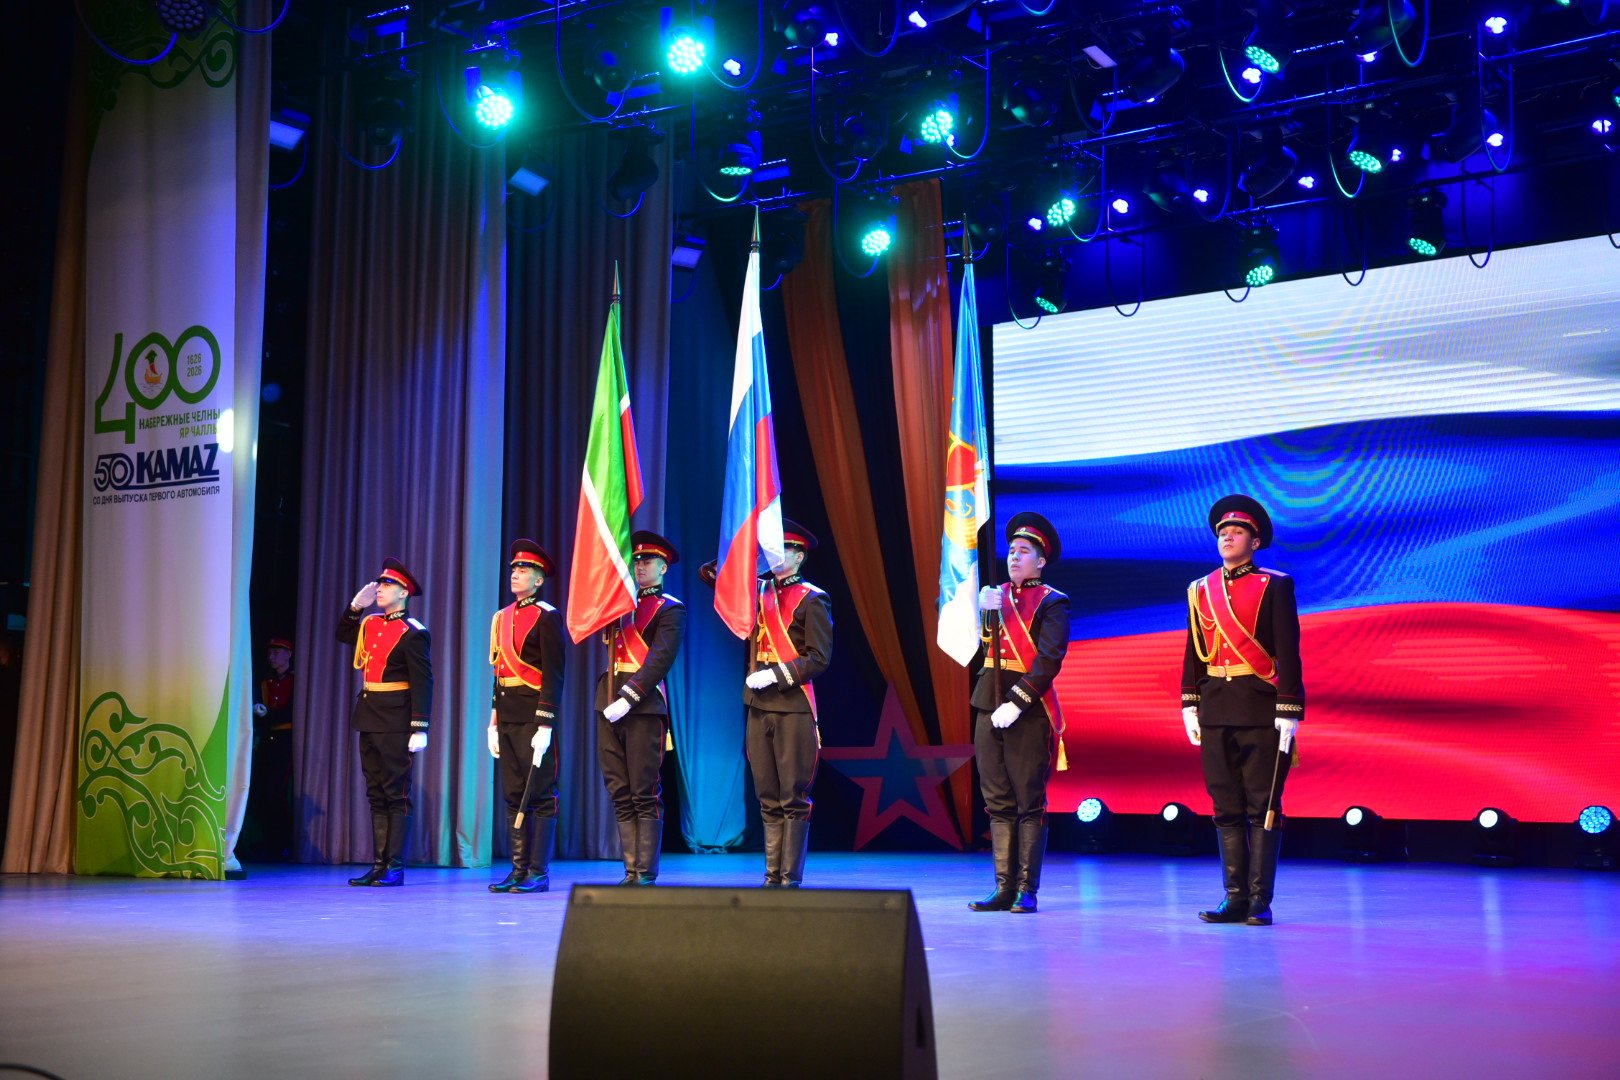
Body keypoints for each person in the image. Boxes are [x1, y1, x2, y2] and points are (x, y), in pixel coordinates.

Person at [1180, 494, 1305, 927]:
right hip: (1215, 707)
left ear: (1255, 542)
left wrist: (1289, 708)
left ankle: (1259, 900)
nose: (1227, 537)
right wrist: (1189, 703)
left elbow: (1288, 650)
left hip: (1260, 709)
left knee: (1262, 806)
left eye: (1237, 532)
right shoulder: (1200, 589)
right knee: (1225, 806)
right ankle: (1234, 897)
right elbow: (1193, 652)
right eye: (1223, 532)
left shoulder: (1274, 585)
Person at [741, 520, 832, 888]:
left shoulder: (813, 598)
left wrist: (776, 675)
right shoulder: (757, 591)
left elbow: (819, 658)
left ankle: (789, 879)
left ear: (798, 557)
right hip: (758, 705)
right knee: (766, 795)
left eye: (782, 550)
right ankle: (771, 877)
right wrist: (748, 557)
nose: (775, 556)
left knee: (792, 795)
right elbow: (712, 574)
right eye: (771, 549)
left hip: (793, 704)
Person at [597, 530, 686, 885]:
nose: (640, 566)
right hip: (607, 702)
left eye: (648, 561)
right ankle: (630, 871)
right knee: (619, 790)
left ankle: (645, 873)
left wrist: (629, 696)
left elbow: (659, 660)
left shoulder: (670, 609)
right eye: (636, 561)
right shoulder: (620, 603)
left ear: (663, 567)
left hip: (643, 706)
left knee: (643, 791)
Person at [336, 559, 432, 887]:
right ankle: (378, 865)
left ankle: (395, 867)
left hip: (396, 720)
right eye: (379, 584)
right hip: (369, 714)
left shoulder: (414, 632)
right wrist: (354, 608)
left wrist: (420, 726)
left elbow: (423, 682)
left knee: (396, 793)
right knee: (375, 793)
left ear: (404, 593)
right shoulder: (371, 624)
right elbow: (342, 634)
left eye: (387, 585)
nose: (379, 589)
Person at [486, 539, 565, 894]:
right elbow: (499, 672)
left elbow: (554, 674)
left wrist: (545, 722)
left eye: (524, 570)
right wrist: (493, 721)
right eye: (514, 569)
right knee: (513, 793)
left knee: (541, 793)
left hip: (534, 716)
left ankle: (538, 872)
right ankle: (518, 870)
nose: (516, 574)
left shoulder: (547, 616)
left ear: (539, 580)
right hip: (507, 716)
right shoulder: (501, 617)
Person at [245, 636, 295, 858]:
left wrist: (268, 714)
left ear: (288, 655)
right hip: (268, 738)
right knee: (262, 791)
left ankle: (281, 843)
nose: (271, 657)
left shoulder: (294, 681)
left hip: (285, 738)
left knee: (277, 792)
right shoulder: (265, 683)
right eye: (269, 653)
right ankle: (266, 842)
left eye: (276, 652)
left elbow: (290, 712)